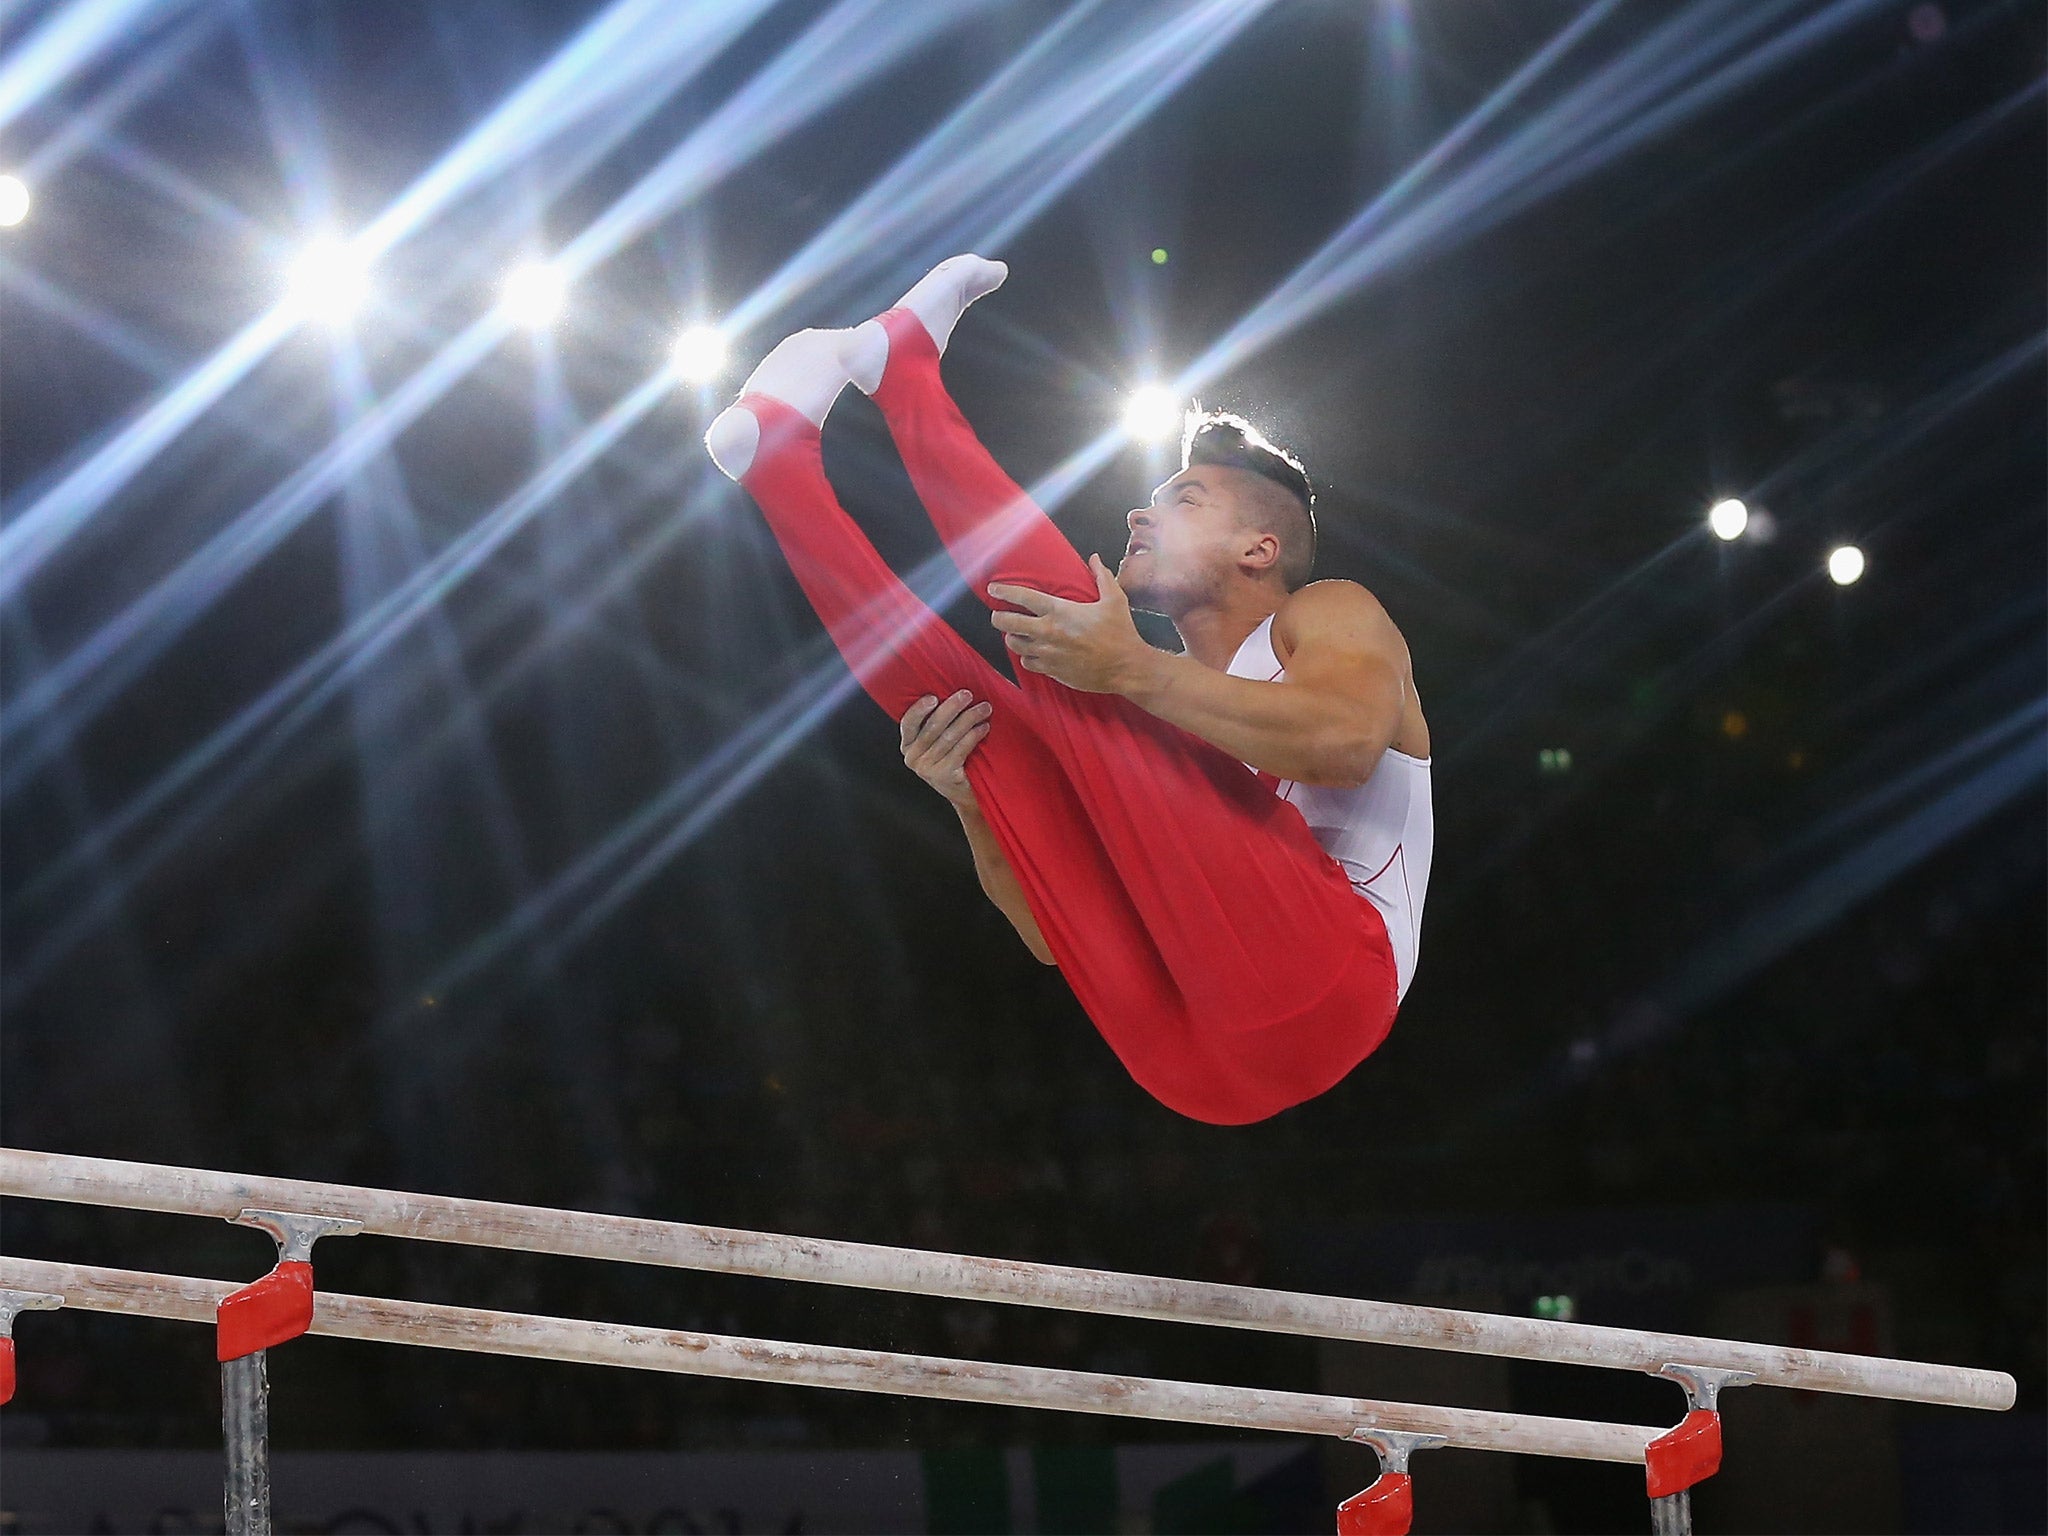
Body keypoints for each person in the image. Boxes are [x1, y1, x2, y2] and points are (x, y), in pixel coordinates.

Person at [705, 256, 1431, 1124]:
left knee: (1080, 653)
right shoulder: (1162, 702)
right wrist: (977, 802)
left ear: (1259, 551)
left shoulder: (1330, 612)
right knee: (1003, 720)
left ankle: (907, 380)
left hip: (1330, 988)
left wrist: (1130, 670)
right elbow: (1057, 937)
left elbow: (1343, 746)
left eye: (1187, 499)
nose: (1139, 513)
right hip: (1186, 1068)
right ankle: (779, 467)